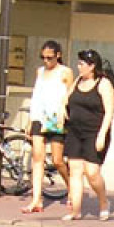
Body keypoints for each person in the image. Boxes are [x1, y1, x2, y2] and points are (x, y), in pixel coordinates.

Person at [62, 49, 114, 221]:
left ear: (92, 66)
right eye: (78, 63)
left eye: (82, 64)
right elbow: (67, 99)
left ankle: (103, 202)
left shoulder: (103, 84)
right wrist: (63, 110)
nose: (78, 67)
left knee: (92, 172)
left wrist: (102, 135)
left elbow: (109, 112)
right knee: (75, 171)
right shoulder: (77, 81)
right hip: (75, 132)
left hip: (94, 132)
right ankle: (75, 211)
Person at [22, 40, 74, 214]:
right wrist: (30, 120)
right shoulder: (40, 71)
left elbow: (70, 95)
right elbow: (36, 95)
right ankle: (37, 199)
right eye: (43, 58)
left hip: (56, 118)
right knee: (37, 157)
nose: (46, 61)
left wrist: (68, 115)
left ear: (58, 55)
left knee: (58, 160)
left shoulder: (65, 72)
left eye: (50, 58)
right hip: (40, 116)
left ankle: (71, 187)